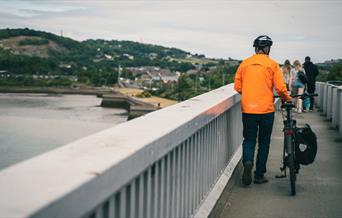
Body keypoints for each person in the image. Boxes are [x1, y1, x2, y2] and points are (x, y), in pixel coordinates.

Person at [234, 35, 291, 186]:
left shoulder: (244, 64)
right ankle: (259, 175)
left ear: (255, 48)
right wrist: (287, 99)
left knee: (249, 139)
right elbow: (280, 88)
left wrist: (249, 96)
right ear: (267, 48)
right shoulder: (272, 65)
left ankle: (247, 162)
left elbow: (237, 87)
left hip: (248, 110)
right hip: (266, 110)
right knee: (264, 142)